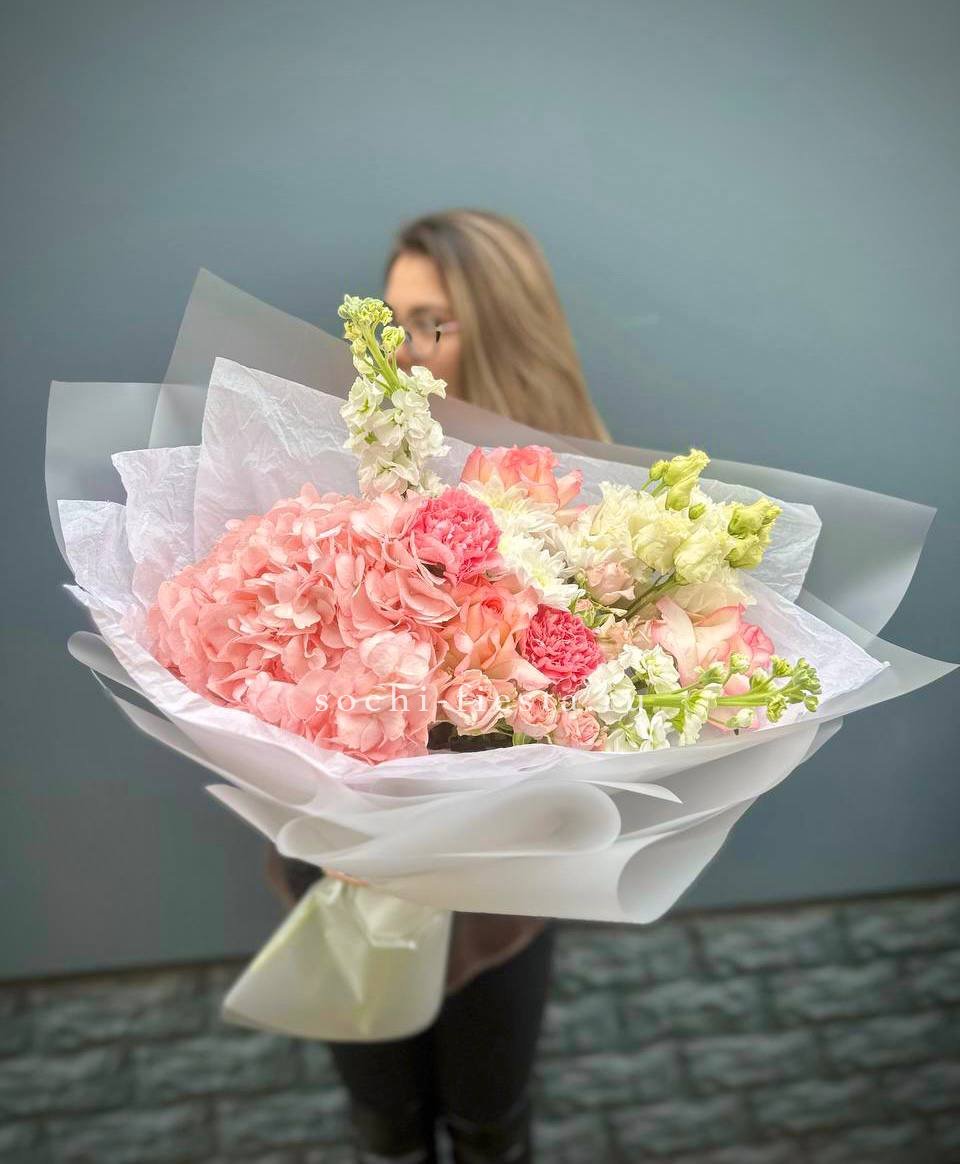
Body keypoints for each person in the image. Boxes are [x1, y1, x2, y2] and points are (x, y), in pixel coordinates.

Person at [265, 209, 611, 1163]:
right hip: (351, 860)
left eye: (434, 324)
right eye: (395, 321)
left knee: (488, 1111)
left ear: (500, 328)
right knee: (384, 1116)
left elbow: (602, 699)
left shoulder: (579, 496)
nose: (405, 350)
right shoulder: (345, 464)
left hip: (499, 875)